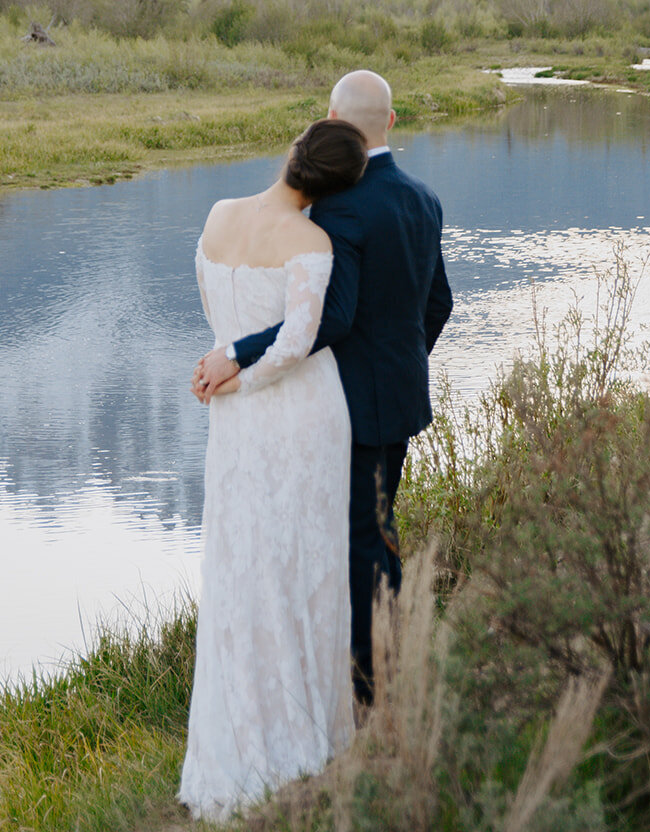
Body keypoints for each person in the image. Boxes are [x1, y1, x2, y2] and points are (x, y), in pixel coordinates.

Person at [195, 69, 453, 705]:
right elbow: (439, 303)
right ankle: (387, 660)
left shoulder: (334, 210)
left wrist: (236, 351)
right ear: (389, 122)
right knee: (380, 529)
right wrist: (404, 361)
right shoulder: (424, 199)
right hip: (400, 395)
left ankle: (372, 687)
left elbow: (328, 320)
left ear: (332, 119)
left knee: (358, 540)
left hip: (348, 405)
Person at [179, 118, 369, 822]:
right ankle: (303, 735)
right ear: (336, 186)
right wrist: (244, 378)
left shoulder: (217, 215)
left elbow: (211, 308)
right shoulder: (313, 242)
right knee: (302, 563)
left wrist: (222, 369)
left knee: (238, 564)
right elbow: (295, 344)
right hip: (297, 418)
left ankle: (237, 733)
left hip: (230, 423)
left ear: (293, 150)